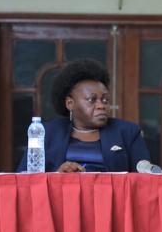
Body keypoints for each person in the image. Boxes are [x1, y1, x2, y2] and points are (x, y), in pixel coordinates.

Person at [16, 59, 151, 173]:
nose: (101, 105)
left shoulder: (127, 132)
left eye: (105, 100)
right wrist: (57, 176)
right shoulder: (47, 133)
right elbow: (25, 178)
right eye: (92, 100)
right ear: (70, 103)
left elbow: (145, 181)